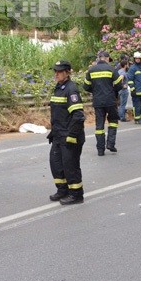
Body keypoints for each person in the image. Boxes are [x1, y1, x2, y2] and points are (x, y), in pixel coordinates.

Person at [46, 60, 85, 205]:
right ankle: (63, 190)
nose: (56, 74)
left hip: (70, 137)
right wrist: (53, 132)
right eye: (55, 71)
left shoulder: (71, 89)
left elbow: (78, 116)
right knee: (56, 164)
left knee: (70, 166)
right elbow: (59, 114)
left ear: (67, 72)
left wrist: (71, 136)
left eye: (59, 71)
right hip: (58, 135)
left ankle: (76, 195)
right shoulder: (59, 88)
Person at [84, 51, 122, 156]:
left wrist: (96, 91)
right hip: (110, 101)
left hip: (98, 101)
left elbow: (86, 86)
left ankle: (100, 150)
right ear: (106, 58)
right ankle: (110, 144)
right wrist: (112, 91)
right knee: (113, 121)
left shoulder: (91, 70)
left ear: (99, 58)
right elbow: (119, 85)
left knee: (99, 126)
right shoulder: (111, 69)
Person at [127, 51, 141, 124]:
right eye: (136, 59)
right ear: (134, 59)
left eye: (139, 59)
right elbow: (130, 79)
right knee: (137, 106)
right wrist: (133, 89)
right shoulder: (132, 68)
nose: (137, 60)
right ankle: (137, 119)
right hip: (136, 91)